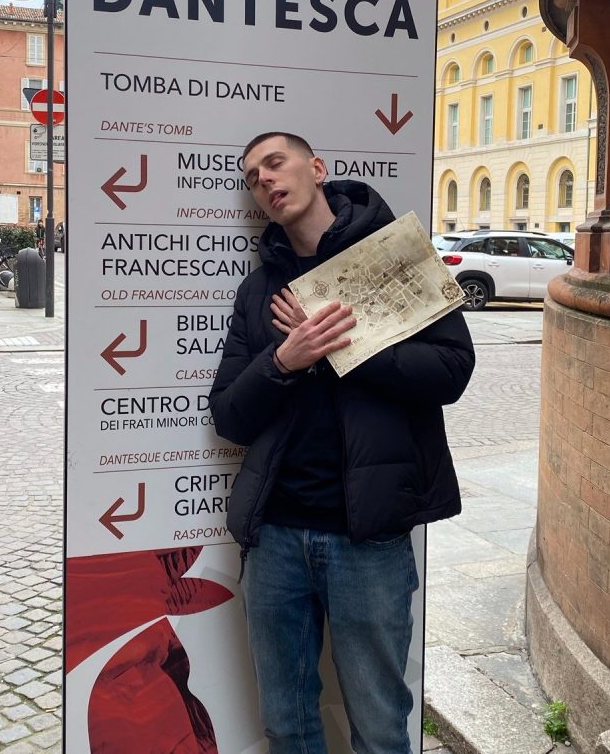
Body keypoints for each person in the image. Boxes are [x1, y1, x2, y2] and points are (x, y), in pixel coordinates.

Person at [209, 132, 476, 754]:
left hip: (370, 540)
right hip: (275, 536)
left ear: (317, 167)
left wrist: (339, 348)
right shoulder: (261, 291)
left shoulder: (396, 259)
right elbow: (229, 414)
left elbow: (452, 370)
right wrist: (284, 358)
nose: (265, 180)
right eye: (252, 177)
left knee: (380, 729)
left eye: (276, 163)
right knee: (287, 725)